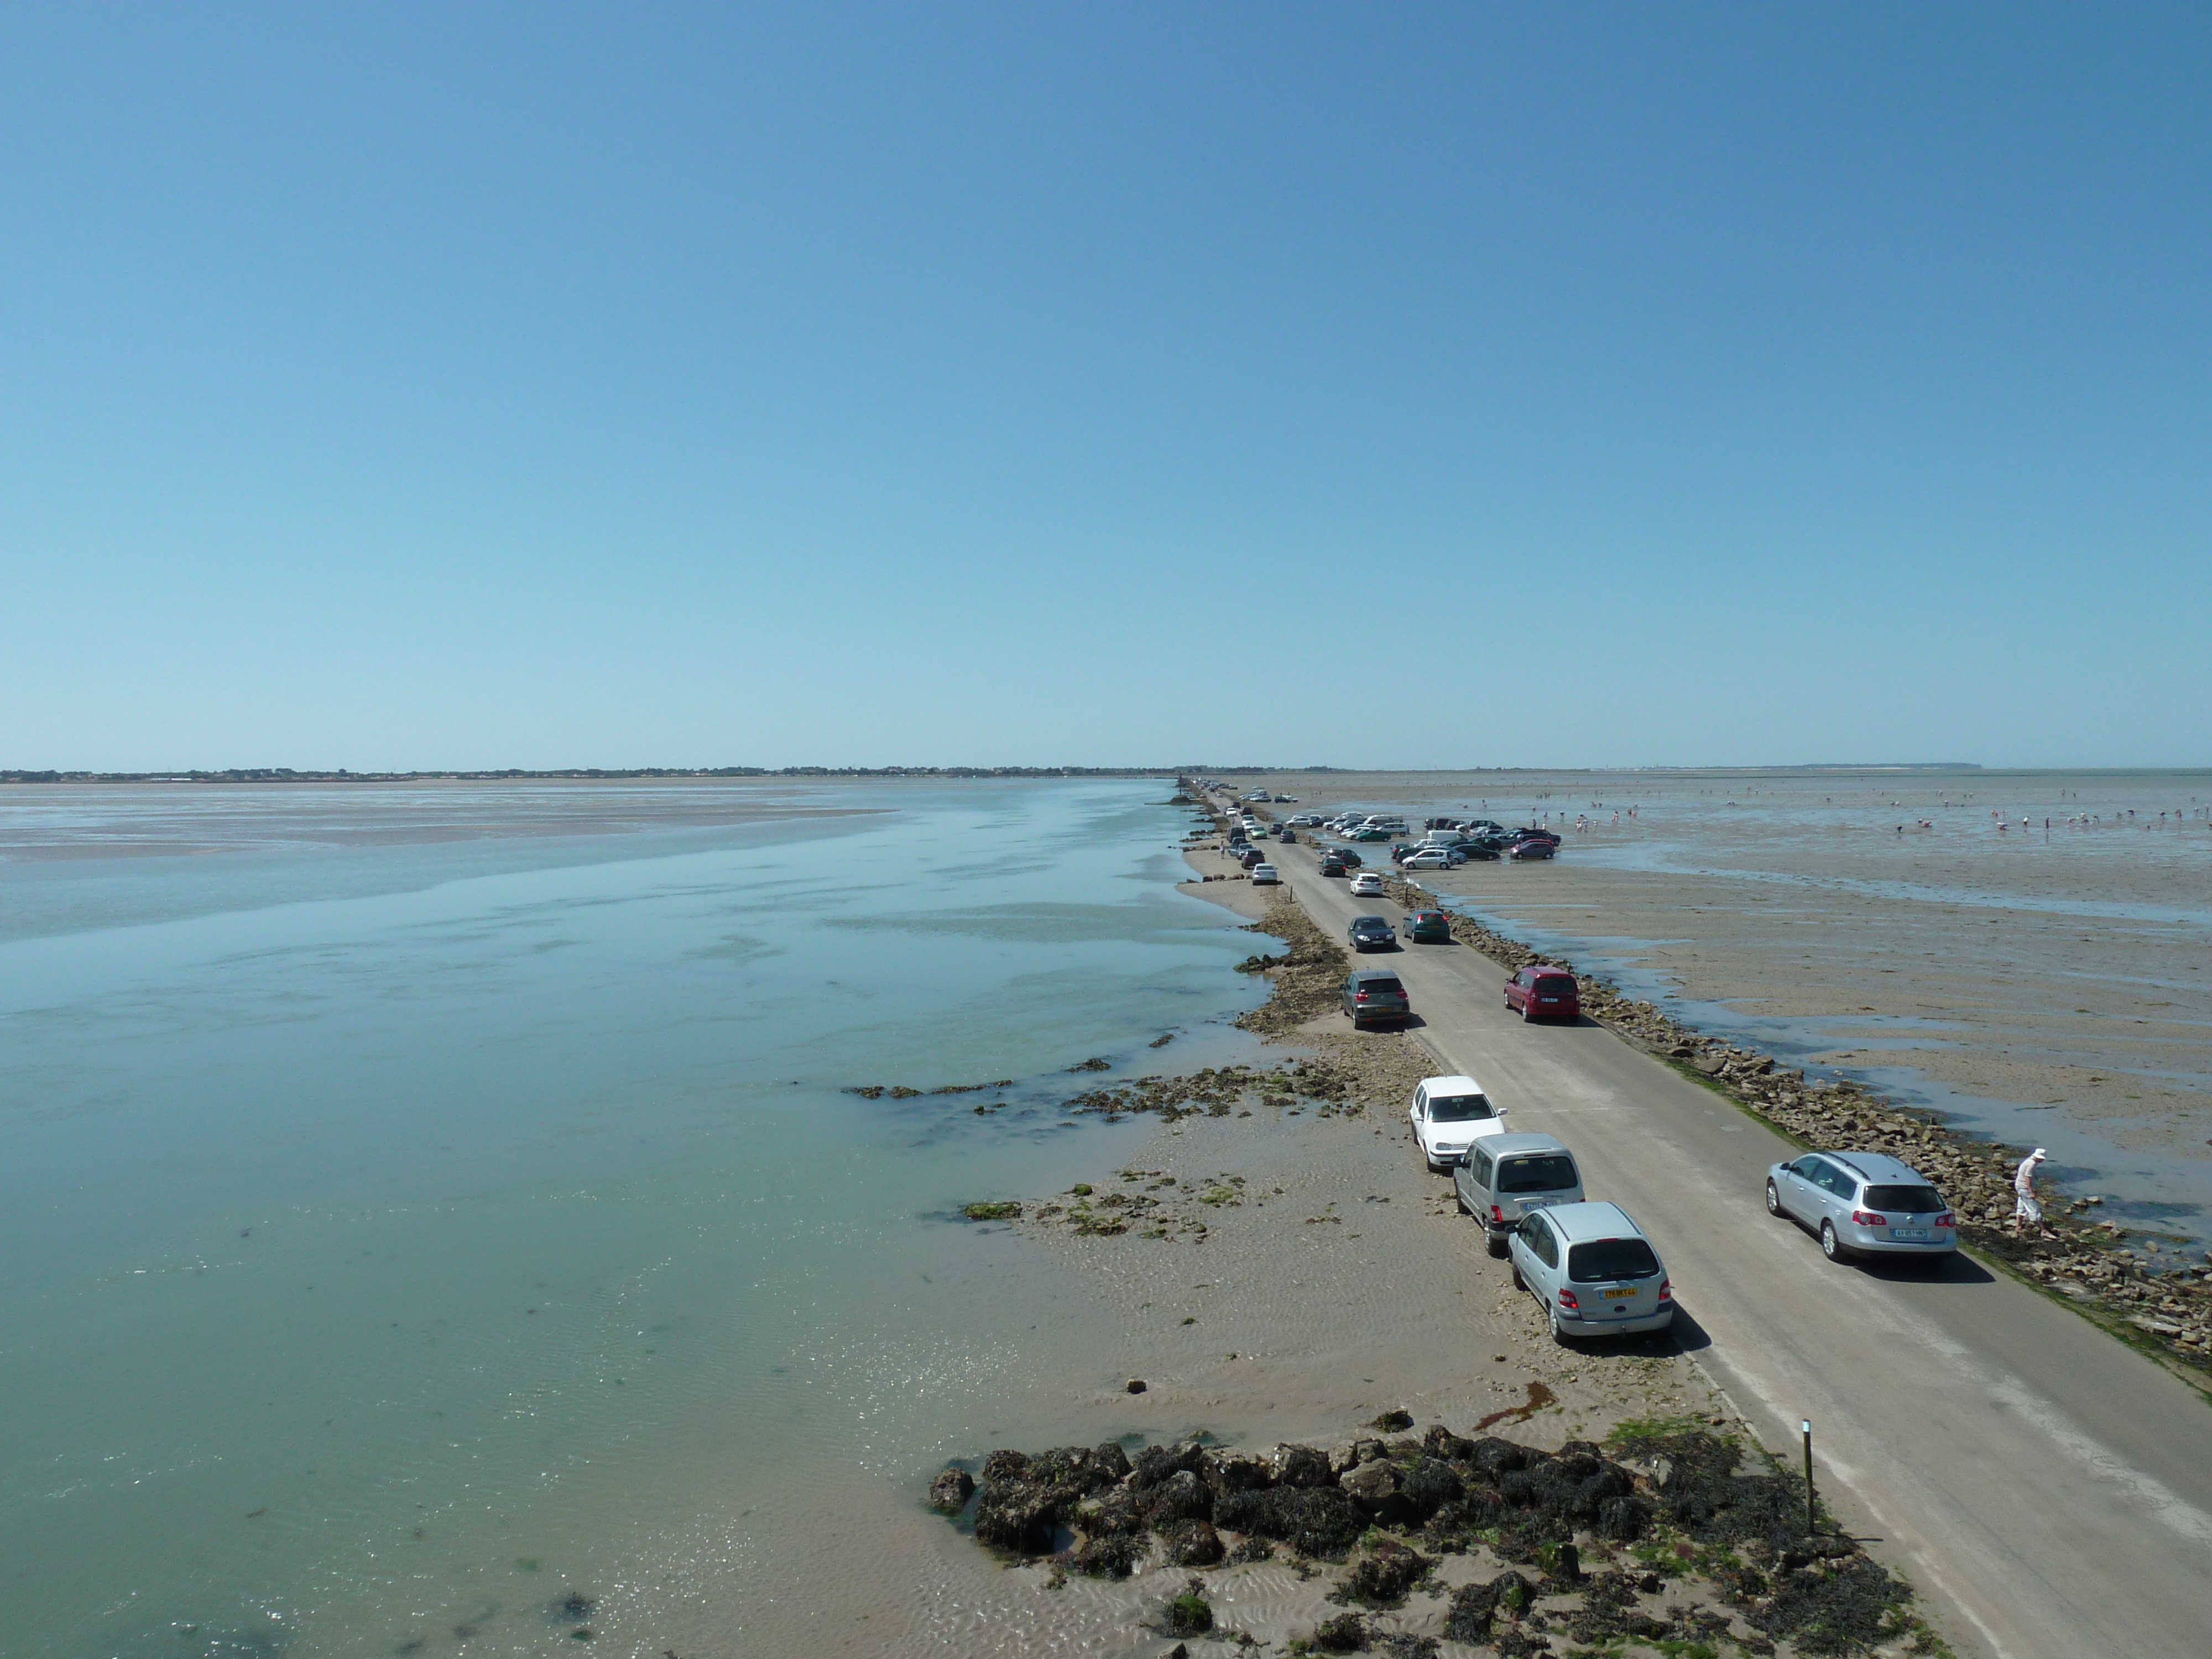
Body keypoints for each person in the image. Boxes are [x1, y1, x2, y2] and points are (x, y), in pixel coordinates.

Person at [2013, 1149, 2055, 1239]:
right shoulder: (2032, 1164)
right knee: (2034, 1210)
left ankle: (2018, 1227)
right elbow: (2028, 1178)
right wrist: (2031, 1191)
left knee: (2022, 1206)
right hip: (2025, 1188)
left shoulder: (2028, 1161)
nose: (2043, 1161)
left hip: (2019, 1187)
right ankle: (2043, 1231)